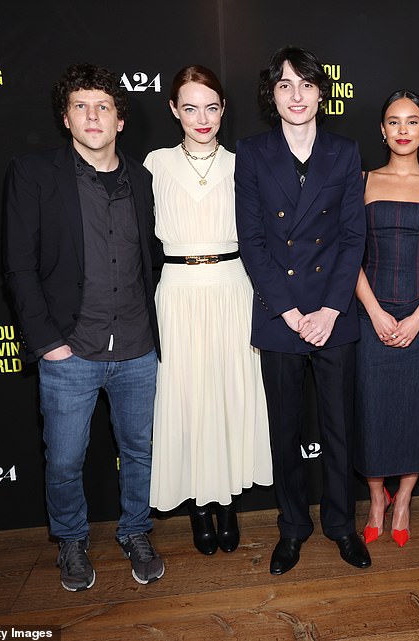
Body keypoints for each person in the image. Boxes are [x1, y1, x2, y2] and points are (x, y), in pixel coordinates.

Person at [3, 63, 165, 591]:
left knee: (139, 452)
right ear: (66, 117)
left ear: (120, 120)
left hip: (138, 348)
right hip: (70, 351)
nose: (92, 116)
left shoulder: (142, 179)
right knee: (66, 459)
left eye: (103, 107)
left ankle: (136, 530)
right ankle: (71, 541)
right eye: (81, 106)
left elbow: (152, 261)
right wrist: (48, 342)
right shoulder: (34, 174)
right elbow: (18, 266)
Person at [234, 46, 370, 575]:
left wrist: (331, 310)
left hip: (333, 316)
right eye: (286, 85)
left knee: (340, 431)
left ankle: (342, 525)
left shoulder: (345, 150)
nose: (297, 95)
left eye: (306, 85)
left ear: (320, 92)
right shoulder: (252, 152)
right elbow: (252, 242)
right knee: (284, 431)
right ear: (273, 94)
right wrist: (291, 313)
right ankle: (292, 527)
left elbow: (352, 237)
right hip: (280, 316)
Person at [145, 66, 273, 556]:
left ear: (224, 110)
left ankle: (227, 505)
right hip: (178, 291)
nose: (203, 118)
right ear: (174, 110)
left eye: (212, 107)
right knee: (188, 396)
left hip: (231, 289)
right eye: (191, 107)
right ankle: (199, 505)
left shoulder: (244, 165)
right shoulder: (154, 165)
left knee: (227, 395)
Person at [355, 90, 419, 547]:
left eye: (412, 121)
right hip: (368, 313)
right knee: (371, 409)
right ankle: (377, 498)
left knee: (418, 408)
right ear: (382, 130)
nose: (402, 130)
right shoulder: (360, 181)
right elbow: (347, 256)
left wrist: (418, 318)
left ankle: (404, 501)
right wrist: (375, 311)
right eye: (393, 121)